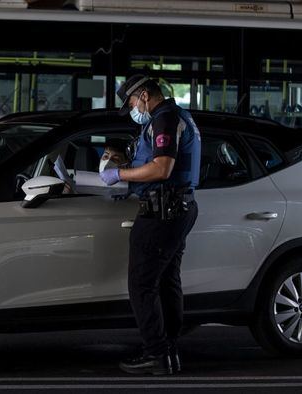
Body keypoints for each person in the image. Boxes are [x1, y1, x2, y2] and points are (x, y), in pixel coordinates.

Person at [100, 75, 201, 375]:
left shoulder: (165, 118)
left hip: (162, 213)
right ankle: (168, 350)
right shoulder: (175, 116)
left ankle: (156, 353)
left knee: (142, 284)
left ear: (144, 95)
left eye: (131, 102)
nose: (132, 108)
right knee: (168, 281)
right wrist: (128, 175)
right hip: (176, 208)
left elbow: (162, 167)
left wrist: (120, 174)